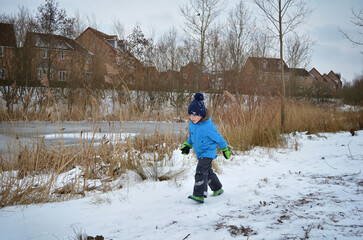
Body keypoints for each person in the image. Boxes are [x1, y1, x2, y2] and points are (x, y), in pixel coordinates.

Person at [181, 92, 231, 203]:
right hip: (200, 153)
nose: (192, 117)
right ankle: (217, 189)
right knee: (207, 171)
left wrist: (225, 148)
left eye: (195, 115)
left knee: (200, 170)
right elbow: (192, 137)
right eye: (190, 114)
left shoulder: (208, 126)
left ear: (202, 114)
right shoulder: (191, 124)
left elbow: (218, 138)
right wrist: (187, 145)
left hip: (208, 152)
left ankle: (199, 194)